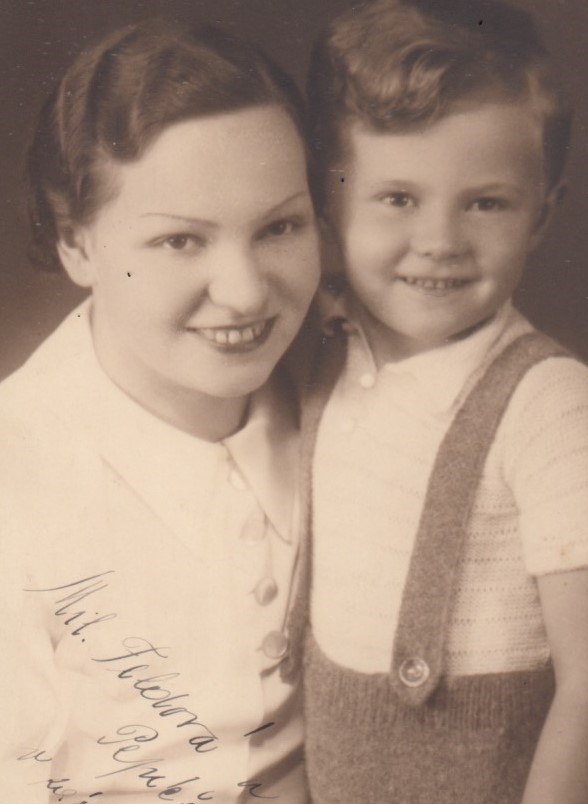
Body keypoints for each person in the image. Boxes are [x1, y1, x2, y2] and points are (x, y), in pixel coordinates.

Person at [0, 18, 320, 803]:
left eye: (280, 226)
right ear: (77, 243)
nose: (244, 291)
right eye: (181, 241)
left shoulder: (342, 392)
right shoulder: (17, 474)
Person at [286, 0, 588, 801]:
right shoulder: (326, 346)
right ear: (328, 202)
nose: (441, 242)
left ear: (542, 215)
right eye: (397, 198)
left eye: (486, 203)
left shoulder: (550, 406)